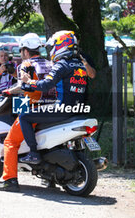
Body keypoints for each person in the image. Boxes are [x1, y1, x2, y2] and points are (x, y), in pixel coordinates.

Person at [0, 33, 55, 192]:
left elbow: (22, 86)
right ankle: (49, 177)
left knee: (10, 142)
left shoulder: (26, 63)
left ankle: (10, 180)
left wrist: (8, 91)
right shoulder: (49, 63)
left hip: (32, 106)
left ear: (26, 51)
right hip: (51, 106)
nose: (21, 54)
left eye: (21, 50)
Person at [18, 30, 89, 164]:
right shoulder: (80, 65)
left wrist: (29, 82)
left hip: (61, 109)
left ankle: (33, 153)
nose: (52, 49)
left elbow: (46, 85)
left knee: (24, 116)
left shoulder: (62, 64)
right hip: (79, 109)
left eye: (53, 46)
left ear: (61, 45)